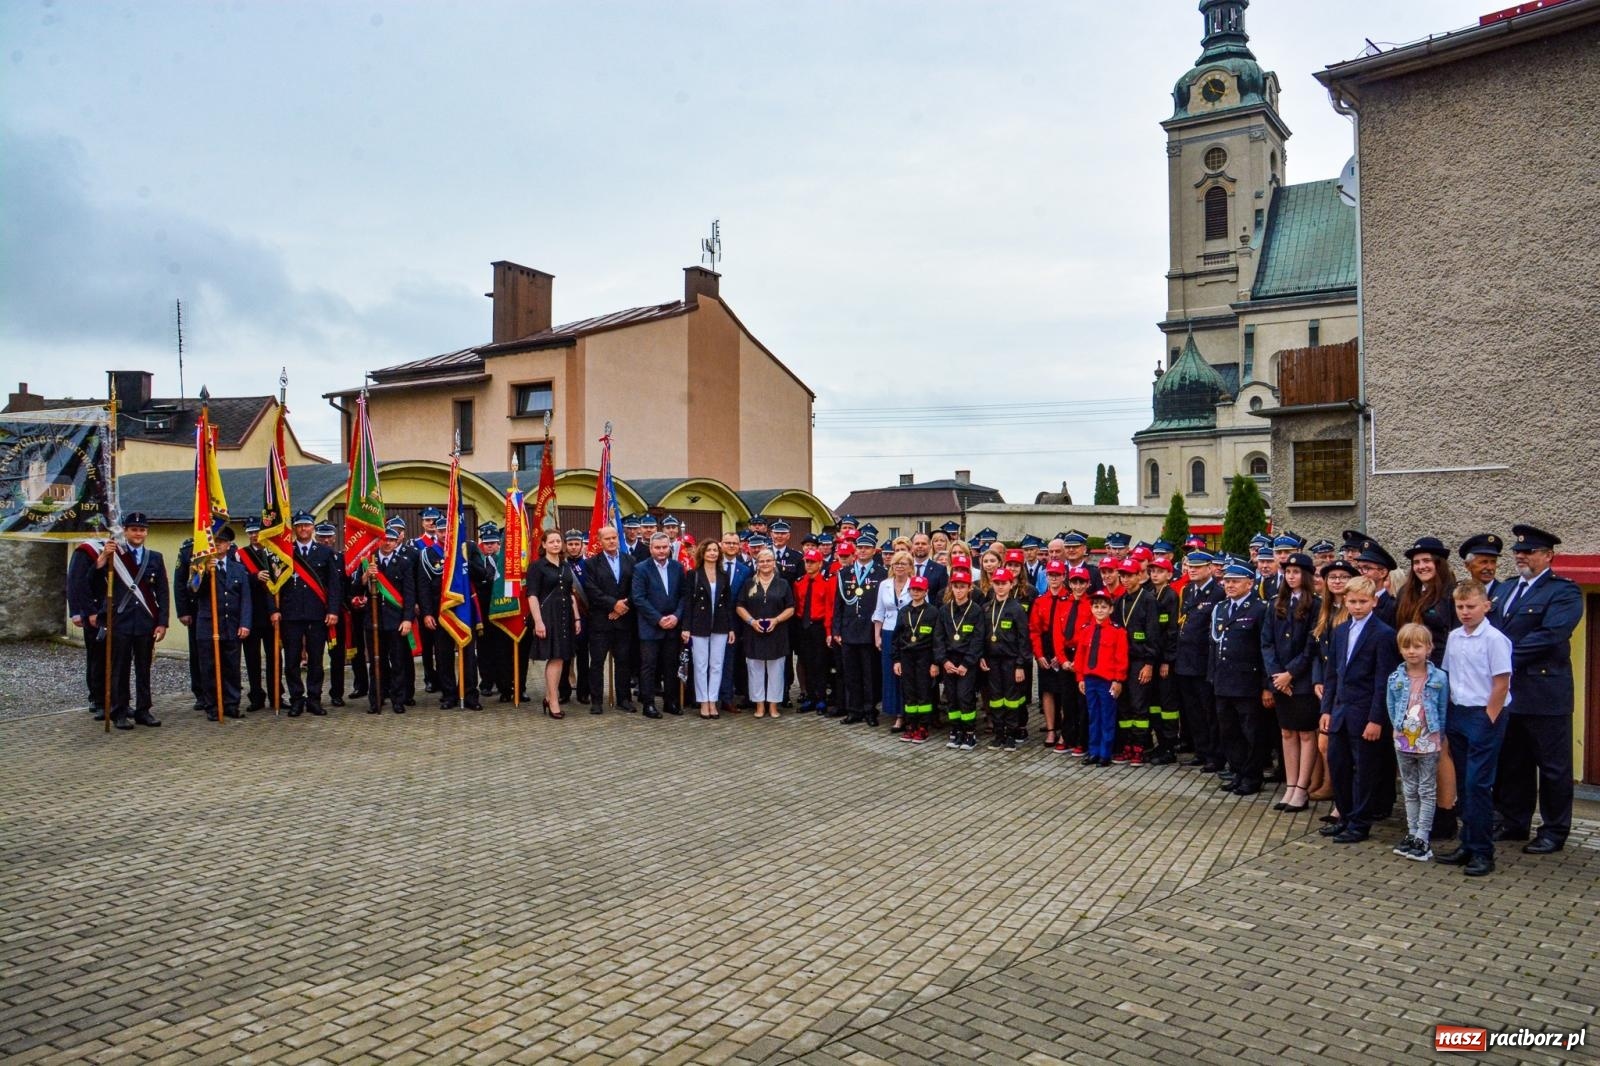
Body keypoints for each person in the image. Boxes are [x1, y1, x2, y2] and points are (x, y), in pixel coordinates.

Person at [1491, 524, 1583, 855]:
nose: (1521, 556)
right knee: (1514, 762)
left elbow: (1550, 635)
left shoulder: (1563, 592)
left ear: (1548, 556)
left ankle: (1555, 830)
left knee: (1553, 767)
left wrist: (1499, 658)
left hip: (1545, 693)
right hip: (1511, 692)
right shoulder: (1505, 589)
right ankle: (1515, 822)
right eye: (1518, 551)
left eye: (1528, 551)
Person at [1435, 580, 1514, 877]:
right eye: (1460, 607)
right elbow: (1448, 674)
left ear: (1486, 606)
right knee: (1464, 784)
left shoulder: (1494, 639)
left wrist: (1490, 716)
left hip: (1484, 714)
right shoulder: (1455, 637)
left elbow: (1501, 682)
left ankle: (1483, 852)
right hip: (1459, 712)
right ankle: (1467, 844)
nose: (1465, 612)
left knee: (1478, 784)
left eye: (1471, 606)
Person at [1318, 577, 1400, 844]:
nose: (1357, 607)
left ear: (1374, 601)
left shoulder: (1383, 634)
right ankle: (1345, 816)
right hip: (1340, 711)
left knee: (1364, 771)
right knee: (1339, 765)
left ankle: (1360, 823)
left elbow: (1382, 681)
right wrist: (1326, 709)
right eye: (1352, 601)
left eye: (1363, 602)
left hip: (1365, 714)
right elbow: (1333, 674)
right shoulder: (1341, 631)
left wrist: (1377, 719)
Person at [1397, 536, 1460, 838]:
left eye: (1428, 561)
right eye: (1417, 562)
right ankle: (1421, 812)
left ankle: (1446, 814)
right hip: (1409, 676)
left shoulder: (1449, 594)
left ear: (1439, 564)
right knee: (1415, 743)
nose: (1422, 566)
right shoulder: (1407, 592)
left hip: (1436, 676)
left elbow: (1454, 639)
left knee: (1439, 745)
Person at [95, 513, 170, 729]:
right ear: (126, 532)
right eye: (134, 529)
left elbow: (162, 593)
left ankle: (143, 710)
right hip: (121, 621)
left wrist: (162, 622)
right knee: (120, 669)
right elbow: (94, 582)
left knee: (144, 668)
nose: (138, 533)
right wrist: (101, 560)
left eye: (142, 530)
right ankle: (119, 711)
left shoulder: (154, 557)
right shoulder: (114, 556)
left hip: (146, 621)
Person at [1262, 553, 1319, 813]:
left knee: (1306, 733)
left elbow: (1312, 646)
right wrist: (1277, 675)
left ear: (1306, 575)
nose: (1292, 576)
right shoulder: (1276, 604)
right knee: (1287, 733)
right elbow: (1267, 642)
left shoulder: (1316, 605)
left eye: (1297, 572)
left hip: (1302, 681)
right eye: (1288, 572)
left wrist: (1291, 674)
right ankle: (1290, 784)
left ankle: (1302, 788)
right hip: (1280, 680)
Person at [1386, 624, 1449, 862]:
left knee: (1427, 788)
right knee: (1409, 788)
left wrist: (1438, 737)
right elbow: (1391, 707)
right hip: (1404, 741)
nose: (1412, 651)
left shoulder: (1439, 678)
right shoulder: (1395, 678)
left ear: (1429, 648)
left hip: (1429, 741)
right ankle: (1412, 833)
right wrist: (1397, 730)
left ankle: (1423, 836)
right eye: (1406, 646)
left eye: (1417, 646)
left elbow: (1442, 710)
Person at [1210, 562, 1271, 796]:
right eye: (1227, 581)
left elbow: (1264, 648)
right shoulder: (1222, 608)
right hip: (1223, 681)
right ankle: (1237, 771)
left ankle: (1252, 776)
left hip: (1248, 682)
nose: (1230, 585)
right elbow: (1214, 646)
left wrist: (1266, 685)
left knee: (1251, 732)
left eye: (1235, 581)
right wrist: (1212, 678)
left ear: (1249, 583)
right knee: (1229, 731)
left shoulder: (1259, 608)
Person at [273, 511, 342, 717]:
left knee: (316, 660)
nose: (303, 529)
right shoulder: (284, 552)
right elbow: (274, 586)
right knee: (292, 660)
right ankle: (296, 699)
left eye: (307, 526)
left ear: (313, 528)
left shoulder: (324, 553)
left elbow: (334, 586)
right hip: (291, 614)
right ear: (294, 528)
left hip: (316, 614)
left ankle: (314, 699)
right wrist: (274, 610)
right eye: (300, 526)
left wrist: (333, 610)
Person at [187, 527, 253, 720]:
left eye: (221, 542)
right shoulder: (199, 567)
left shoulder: (238, 569)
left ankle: (231, 704)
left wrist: (245, 624)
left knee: (231, 667)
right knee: (209, 667)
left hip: (231, 624)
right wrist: (205, 573)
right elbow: (192, 591)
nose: (218, 545)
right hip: (208, 626)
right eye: (214, 542)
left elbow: (245, 600)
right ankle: (213, 706)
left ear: (228, 545)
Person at [1175, 550, 1224, 773]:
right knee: (1192, 711)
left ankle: (1215, 755)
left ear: (1210, 568)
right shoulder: (1188, 591)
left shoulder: (1217, 593)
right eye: (1189, 566)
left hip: (1204, 662)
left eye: (1197, 566)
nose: (1192, 570)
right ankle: (1201, 750)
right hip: (1185, 661)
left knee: (1208, 712)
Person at [527, 529, 583, 719]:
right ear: (543, 545)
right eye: (551, 541)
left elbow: (570, 594)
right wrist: (538, 622)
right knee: (556, 657)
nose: (556, 544)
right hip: (547, 616)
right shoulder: (537, 567)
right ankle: (553, 700)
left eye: (558, 541)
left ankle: (549, 696)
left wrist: (576, 618)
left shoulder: (565, 566)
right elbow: (532, 596)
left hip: (565, 615)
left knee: (562, 657)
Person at [582, 524, 637, 714]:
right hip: (601, 620)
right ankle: (596, 701)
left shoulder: (630, 560)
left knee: (623, 662)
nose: (612, 541)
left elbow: (635, 588)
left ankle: (624, 699)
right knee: (597, 662)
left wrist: (623, 607)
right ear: (600, 541)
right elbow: (591, 590)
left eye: (614, 537)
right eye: (607, 538)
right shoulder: (590, 564)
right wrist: (613, 605)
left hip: (624, 620)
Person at [631, 531, 686, 719]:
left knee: (671, 665)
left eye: (665, 547)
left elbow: (683, 596)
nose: (662, 551)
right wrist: (658, 619)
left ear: (669, 548)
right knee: (649, 667)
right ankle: (649, 704)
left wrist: (676, 617)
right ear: (651, 548)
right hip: (650, 627)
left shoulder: (678, 568)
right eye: (658, 548)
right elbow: (638, 598)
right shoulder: (641, 568)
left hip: (673, 626)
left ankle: (670, 702)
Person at [737, 548, 795, 719]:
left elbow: (791, 608)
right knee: (755, 670)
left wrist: (776, 620)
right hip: (753, 632)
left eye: (768, 560)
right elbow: (740, 606)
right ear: (757, 564)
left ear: (774, 562)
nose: (765, 564)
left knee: (776, 671)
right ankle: (759, 705)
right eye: (761, 561)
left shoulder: (783, 584)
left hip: (777, 633)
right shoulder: (749, 583)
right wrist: (751, 622)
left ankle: (774, 706)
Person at [681, 538, 735, 719]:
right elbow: (688, 603)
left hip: (720, 625)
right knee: (701, 664)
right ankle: (703, 701)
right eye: (709, 550)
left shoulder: (723, 575)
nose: (712, 553)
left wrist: (731, 628)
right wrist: (686, 627)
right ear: (702, 553)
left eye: (715, 550)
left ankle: (713, 700)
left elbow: (728, 604)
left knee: (717, 665)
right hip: (699, 625)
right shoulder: (693, 575)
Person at [364, 528, 416, 714]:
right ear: (379, 540)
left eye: (392, 540)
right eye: (384, 539)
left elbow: (409, 594)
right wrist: (366, 576)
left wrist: (408, 619)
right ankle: (376, 699)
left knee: (398, 662)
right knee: (377, 663)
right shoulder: (368, 562)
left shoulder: (403, 563)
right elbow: (356, 591)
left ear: (397, 542)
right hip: (374, 621)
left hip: (396, 621)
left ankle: (398, 699)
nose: (388, 543)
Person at [1074, 589, 1127, 767]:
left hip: (1107, 681)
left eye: (1104, 607)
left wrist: (1118, 680)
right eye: (1096, 606)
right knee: (1093, 716)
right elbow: (1080, 656)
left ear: (1111, 609)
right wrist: (1080, 678)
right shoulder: (1086, 630)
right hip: (1090, 680)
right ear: (1091, 608)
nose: (1099, 610)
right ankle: (1093, 751)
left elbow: (1121, 658)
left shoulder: (1117, 632)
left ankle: (1105, 753)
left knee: (1107, 717)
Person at [1115, 557, 1159, 765]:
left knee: (1139, 705)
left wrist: (1149, 664)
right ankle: (1127, 744)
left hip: (1140, 661)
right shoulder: (1119, 601)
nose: (1125, 579)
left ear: (1139, 576)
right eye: (1122, 575)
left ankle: (1141, 746)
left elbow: (1153, 634)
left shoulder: (1149, 599)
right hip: (1122, 661)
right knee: (1123, 705)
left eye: (1129, 575)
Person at [832, 538, 881, 726]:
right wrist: (837, 628)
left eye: (866, 548)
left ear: (873, 551)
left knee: (869, 674)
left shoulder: (881, 573)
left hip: (869, 631)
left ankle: (870, 710)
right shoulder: (844, 573)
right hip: (849, 630)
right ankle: (854, 710)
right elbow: (839, 604)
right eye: (859, 547)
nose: (862, 551)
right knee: (851, 673)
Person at [934, 568, 985, 751]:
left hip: (967, 662)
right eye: (956, 587)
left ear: (969, 588)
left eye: (962, 587)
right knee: (952, 697)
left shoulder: (976, 611)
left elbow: (978, 640)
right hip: (949, 661)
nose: (959, 590)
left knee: (965, 697)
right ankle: (955, 730)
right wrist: (944, 661)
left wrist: (967, 664)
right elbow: (938, 638)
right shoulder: (944, 610)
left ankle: (969, 732)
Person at [981, 567, 1030, 750]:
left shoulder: (1017, 609)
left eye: (1004, 583)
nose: (1000, 587)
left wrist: (1020, 665)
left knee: (1011, 698)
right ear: (992, 584)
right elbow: (982, 636)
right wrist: (982, 657)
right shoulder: (986, 608)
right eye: (997, 583)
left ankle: (1011, 733)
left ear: (1011, 584)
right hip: (992, 661)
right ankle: (999, 732)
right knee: (995, 698)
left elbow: (1024, 639)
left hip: (1011, 661)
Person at [893, 575, 939, 744]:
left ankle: (923, 727)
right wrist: (896, 660)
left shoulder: (933, 612)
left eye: (919, 589)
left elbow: (937, 639)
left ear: (926, 591)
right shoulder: (904, 611)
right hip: (906, 656)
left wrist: (935, 662)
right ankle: (911, 725)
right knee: (909, 692)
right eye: (913, 589)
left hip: (925, 657)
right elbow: (896, 638)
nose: (916, 592)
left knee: (923, 692)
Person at [66, 533, 108, 717]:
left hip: (117, 611)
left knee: (118, 657)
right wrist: (80, 611)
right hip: (94, 610)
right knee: (97, 656)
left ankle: (116, 697)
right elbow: (76, 582)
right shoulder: (85, 551)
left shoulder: (119, 547)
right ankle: (97, 698)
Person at [1145, 557, 1182, 764]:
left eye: (1160, 571)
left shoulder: (1171, 596)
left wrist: (1168, 660)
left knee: (1167, 706)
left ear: (1169, 575)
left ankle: (1169, 746)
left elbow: (1171, 631)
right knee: (1155, 705)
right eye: (1153, 571)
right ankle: (1160, 743)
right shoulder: (1150, 594)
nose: (1155, 574)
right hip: (1154, 657)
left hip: (1165, 660)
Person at [873, 551, 914, 732]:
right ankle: (896, 713)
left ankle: (908, 712)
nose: (899, 566)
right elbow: (879, 611)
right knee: (891, 674)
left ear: (910, 567)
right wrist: (877, 635)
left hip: (909, 634)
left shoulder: (916, 584)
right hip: (889, 632)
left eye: (903, 563)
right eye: (896, 563)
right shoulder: (885, 585)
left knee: (907, 673)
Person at [792, 547, 835, 713]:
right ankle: (810, 697)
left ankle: (821, 697)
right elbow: (797, 605)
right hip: (803, 626)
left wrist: (828, 631)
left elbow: (829, 608)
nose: (809, 565)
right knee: (806, 662)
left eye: (812, 562)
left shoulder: (826, 583)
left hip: (819, 627)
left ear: (820, 563)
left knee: (820, 663)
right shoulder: (799, 582)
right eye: (807, 562)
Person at [1457, 533, 1506, 605]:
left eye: (1493, 562)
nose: (1490, 567)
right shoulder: (1459, 592)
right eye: (1484, 562)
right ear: (1467, 565)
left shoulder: (1505, 593)